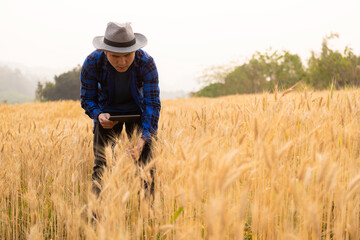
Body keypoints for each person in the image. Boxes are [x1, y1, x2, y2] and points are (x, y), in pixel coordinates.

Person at [80, 22, 161, 198]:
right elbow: (87, 99)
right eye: (115, 56)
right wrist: (98, 115)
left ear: (135, 51)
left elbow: (152, 104)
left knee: (146, 166)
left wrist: (143, 140)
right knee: (102, 166)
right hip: (107, 113)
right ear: (105, 51)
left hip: (139, 113)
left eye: (127, 55)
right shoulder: (92, 62)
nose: (122, 62)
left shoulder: (146, 62)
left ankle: (148, 218)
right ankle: (97, 218)